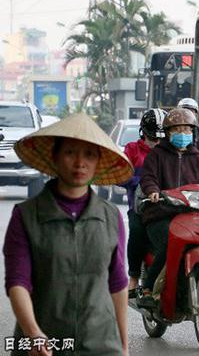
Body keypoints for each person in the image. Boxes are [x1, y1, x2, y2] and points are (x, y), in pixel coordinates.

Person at [3, 113, 133, 356]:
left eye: (89, 155)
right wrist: (33, 333)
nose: (79, 163)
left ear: (98, 162)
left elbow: (117, 283)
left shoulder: (111, 216)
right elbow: (17, 282)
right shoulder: (26, 216)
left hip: (100, 343)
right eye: (70, 152)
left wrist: (124, 346)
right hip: (41, 345)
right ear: (54, 156)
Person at [137, 108, 199, 308]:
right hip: (161, 215)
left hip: (192, 216)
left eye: (186, 129)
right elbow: (148, 178)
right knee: (169, 244)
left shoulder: (198, 157)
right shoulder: (157, 155)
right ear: (168, 132)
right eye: (177, 129)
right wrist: (153, 191)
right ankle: (148, 287)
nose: (183, 133)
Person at [123, 108, 166, 298]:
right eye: (153, 138)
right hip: (140, 207)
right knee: (137, 231)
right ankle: (133, 278)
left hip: (166, 206)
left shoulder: (170, 151)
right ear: (143, 133)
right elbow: (121, 175)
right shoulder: (132, 149)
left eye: (160, 139)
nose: (157, 143)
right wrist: (140, 181)